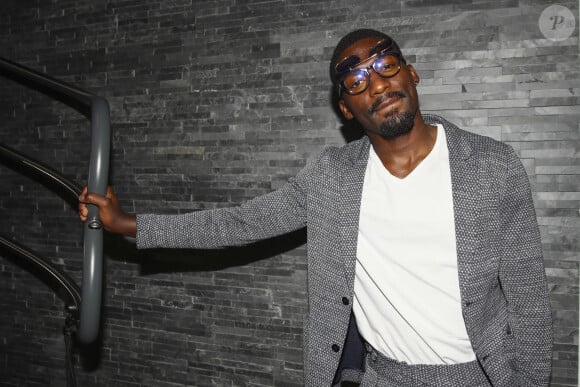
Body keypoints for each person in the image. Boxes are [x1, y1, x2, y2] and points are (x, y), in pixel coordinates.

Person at [79, 29, 553, 386]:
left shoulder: (491, 165)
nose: (377, 84)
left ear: (411, 72)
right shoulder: (333, 176)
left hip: (482, 376)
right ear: (346, 107)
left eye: (386, 65)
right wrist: (128, 224)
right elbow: (241, 222)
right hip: (383, 376)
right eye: (356, 79)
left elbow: (528, 297)